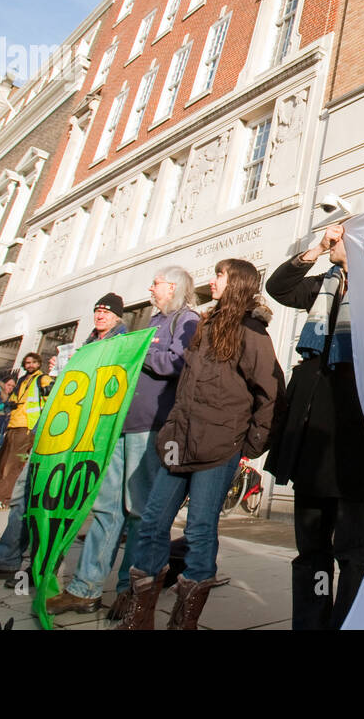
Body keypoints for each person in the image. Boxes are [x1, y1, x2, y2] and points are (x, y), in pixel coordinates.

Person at [120, 259, 283, 630]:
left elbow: (270, 392)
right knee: (152, 522)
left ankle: (183, 622)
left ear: (238, 282)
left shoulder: (252, 331)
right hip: (180, 441)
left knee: (198, 530)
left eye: (220, 275)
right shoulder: (204, 324)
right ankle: (138, 617)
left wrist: (250, 443)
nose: (213, 280)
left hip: (220, 445)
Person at [47, 267, 199, 619]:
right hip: (118, 425)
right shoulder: (151, 322)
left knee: (139, 511)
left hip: (150, 426)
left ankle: (131, 593)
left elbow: (178, 363)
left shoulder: (186, 320)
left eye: (156, 283)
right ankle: (84, 589)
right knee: (106, 508)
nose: (151, 288)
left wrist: (137, 352)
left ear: (172, 287)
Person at [0, 295, 127, 583]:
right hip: (52, 431)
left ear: (117, 317)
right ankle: (6, 559)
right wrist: (59, 373)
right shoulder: (85, 343)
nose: (100, 315)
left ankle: (41, 567)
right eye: (97, 310)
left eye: (106, 312)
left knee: (57, 503)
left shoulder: (120, 345)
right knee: (24, 496)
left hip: (80, 437)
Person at [266, 222, 364, 630]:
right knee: (310, 548)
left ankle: (347, 622)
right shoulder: (322, 288)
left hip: (353, 442)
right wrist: (315, 249)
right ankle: (310, 622)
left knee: (351, 547)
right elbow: (278, 287)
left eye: (343, 234)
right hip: (312, 441)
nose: (335, 236)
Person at [0, 355, 50, 512]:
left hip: (28, 425)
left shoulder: (43, 379)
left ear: (39, 363)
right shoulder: (22, 380)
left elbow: (48, 399)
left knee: (12, 464)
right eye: (27, 363)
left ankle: (3, 498)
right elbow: (14, 398)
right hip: (13, 423)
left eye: (34, 362)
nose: (30, 365)